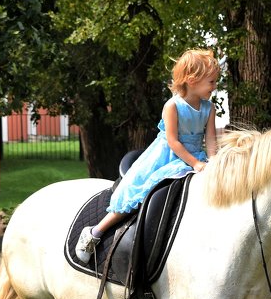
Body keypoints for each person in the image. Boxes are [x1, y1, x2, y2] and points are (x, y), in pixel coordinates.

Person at [75, 49, 219, 263]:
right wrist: (196, 163)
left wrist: (214, 162)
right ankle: (95, 232)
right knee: (137, 194)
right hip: (169, 157)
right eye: (212, 82)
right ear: (192, 80)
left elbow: (211, 139)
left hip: (196, 158)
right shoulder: (173, 106)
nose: (215, 87)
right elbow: (173, 141)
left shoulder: (209, 108)